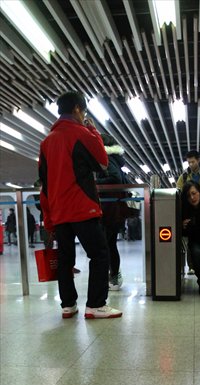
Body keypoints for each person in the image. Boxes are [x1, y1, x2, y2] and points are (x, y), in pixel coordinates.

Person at [39, 91, 122, 319]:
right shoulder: (80, 133)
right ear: (77, 109)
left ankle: (68, 305)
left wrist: (48, 218)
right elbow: (103, 161)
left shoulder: (46, 142)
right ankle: (95, 305)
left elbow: (44, 184)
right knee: (99, 254)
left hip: (59, 211)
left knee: (65, 259)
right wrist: (92, 129)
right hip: (81, 207)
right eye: (83, 110)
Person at [96, 138, 131, 290]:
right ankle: (114, 277)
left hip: (109, 210)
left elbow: (115, 178)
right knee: (110, 245)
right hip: (116, 210)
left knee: (104, 246)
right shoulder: (115, 159)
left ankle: (109, 278)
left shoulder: (107, 158)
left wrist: (96, 183)